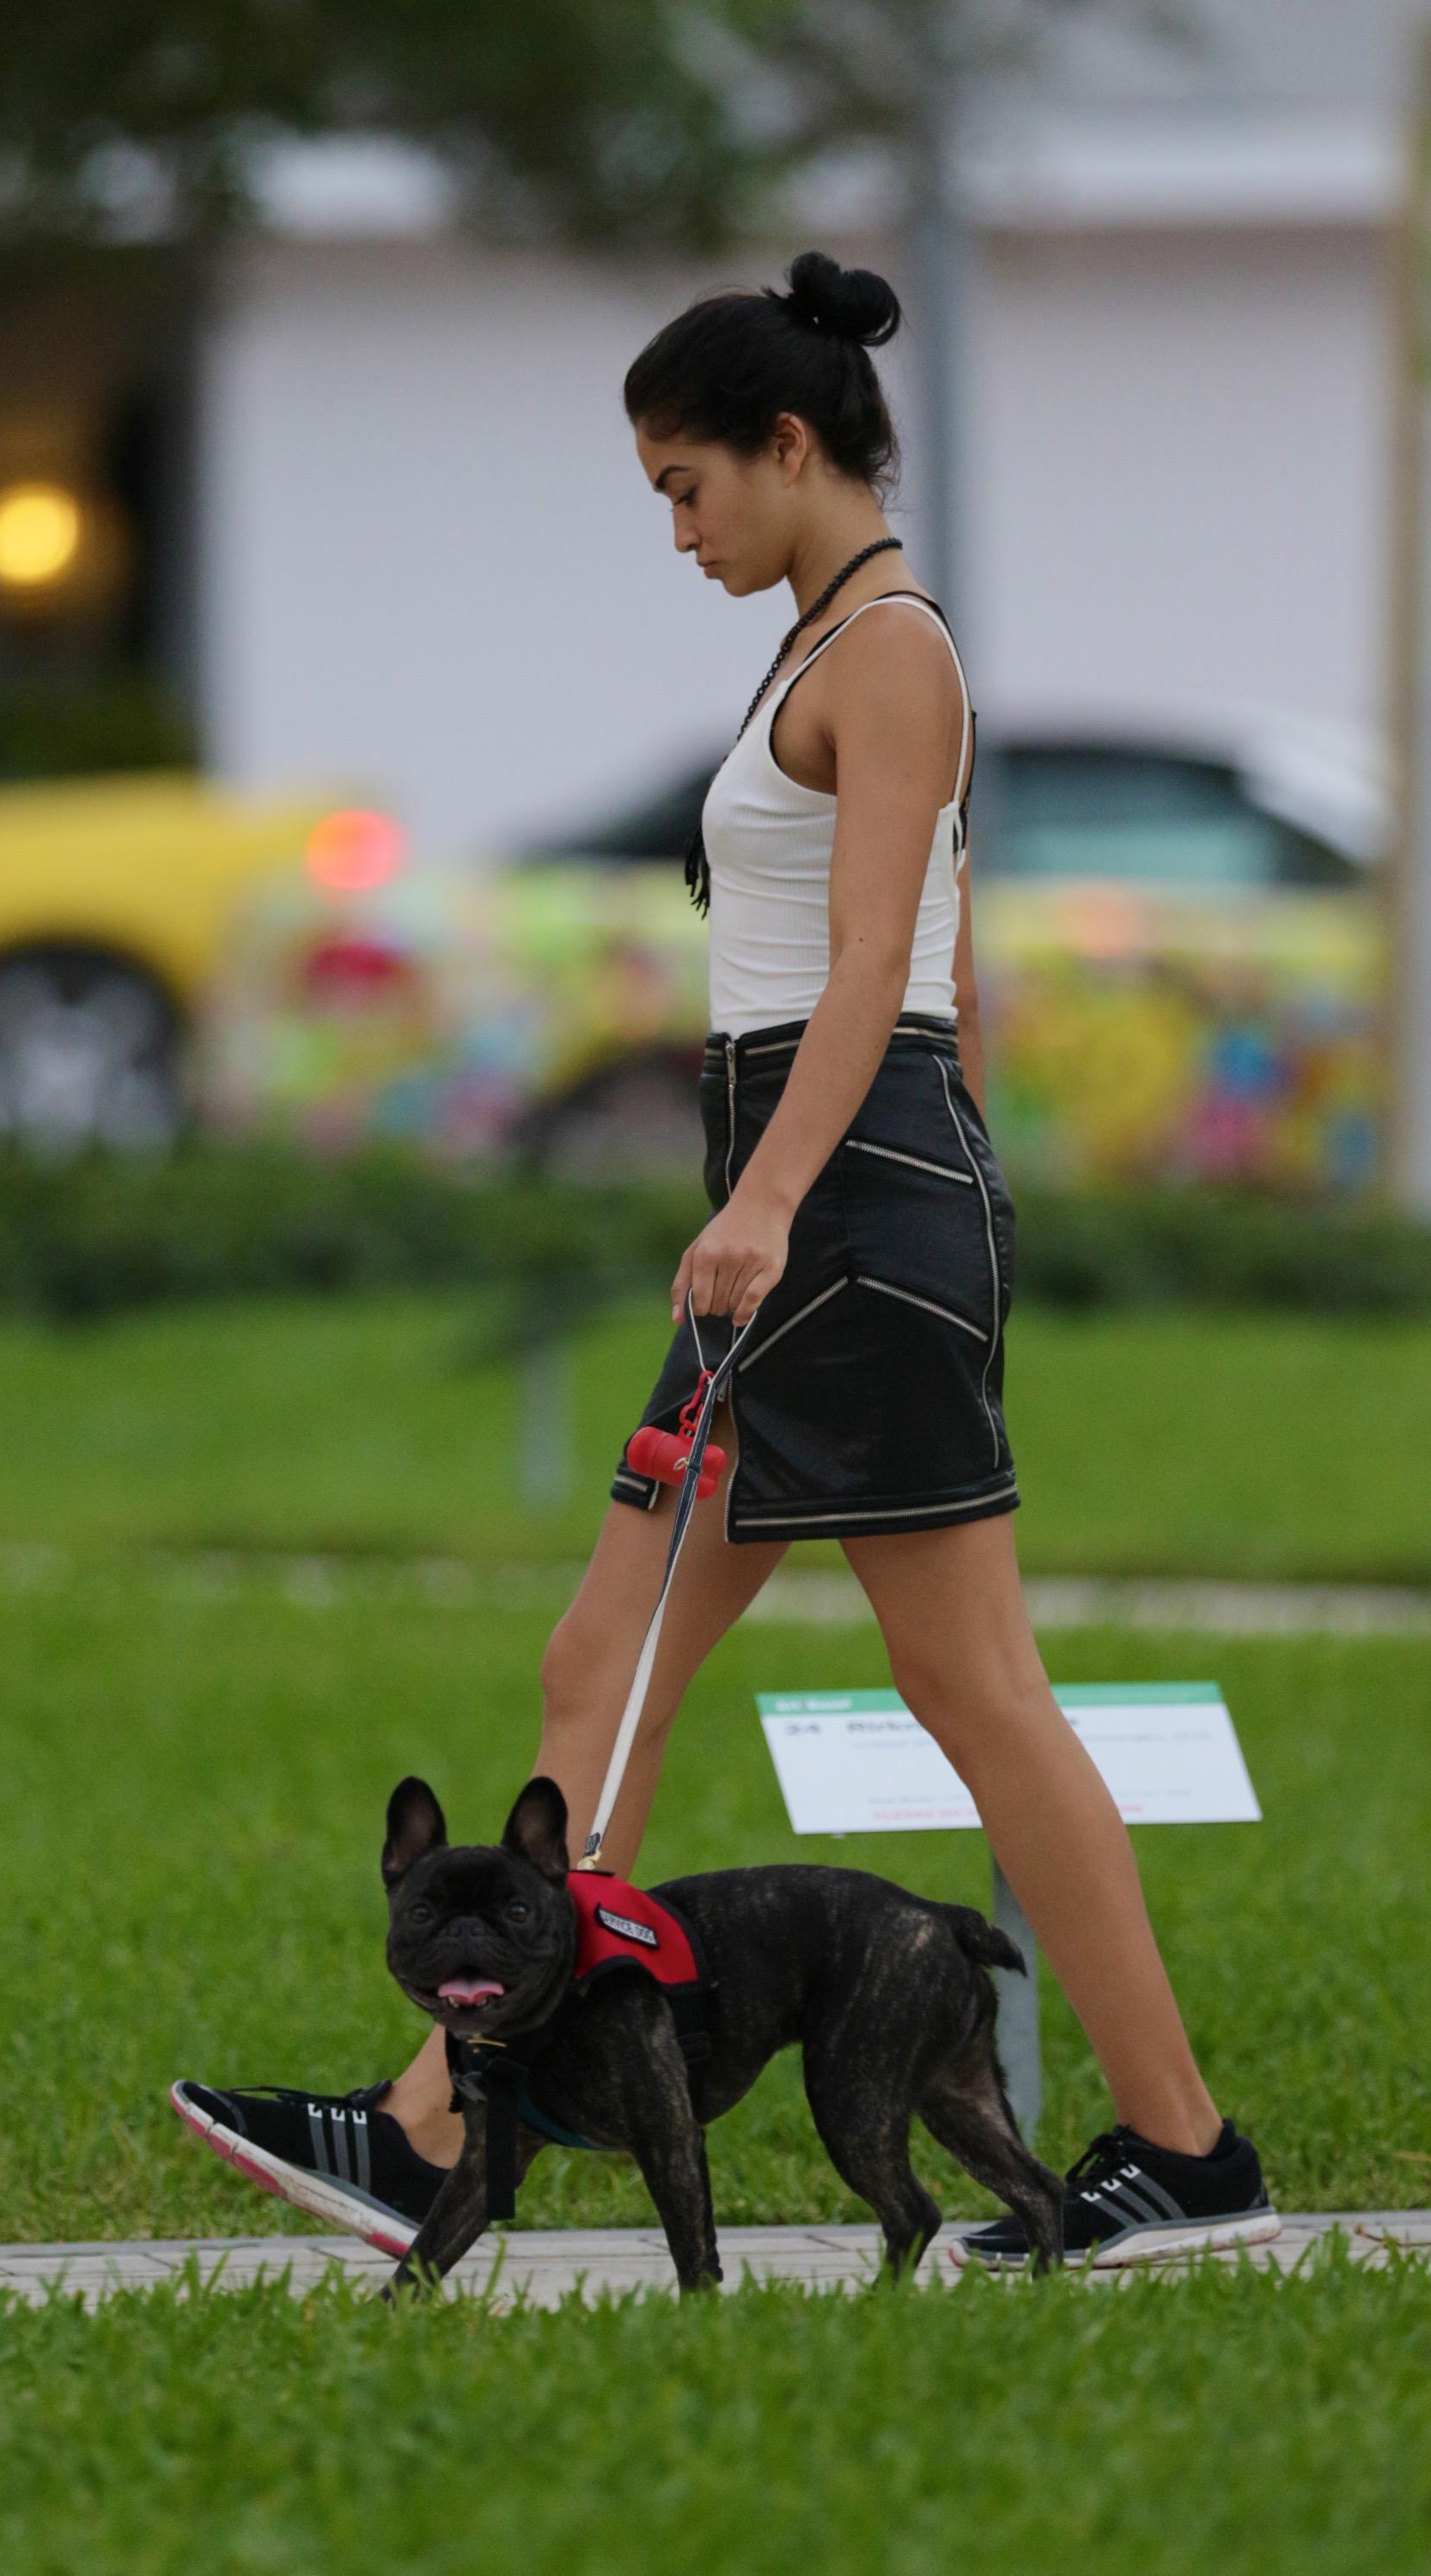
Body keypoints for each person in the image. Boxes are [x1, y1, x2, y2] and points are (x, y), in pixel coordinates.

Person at [174, 252, 1276, 2269]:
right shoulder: (817, 638)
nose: (673, 530)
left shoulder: (892, 652)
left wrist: (763, 1200)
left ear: (791, 446)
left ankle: (1182, 2145)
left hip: (850, 1212)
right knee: (604, 1661)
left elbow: (875, 964)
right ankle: (438, 2126)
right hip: (810, 1212)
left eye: (688, 485)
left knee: (976, 1690)